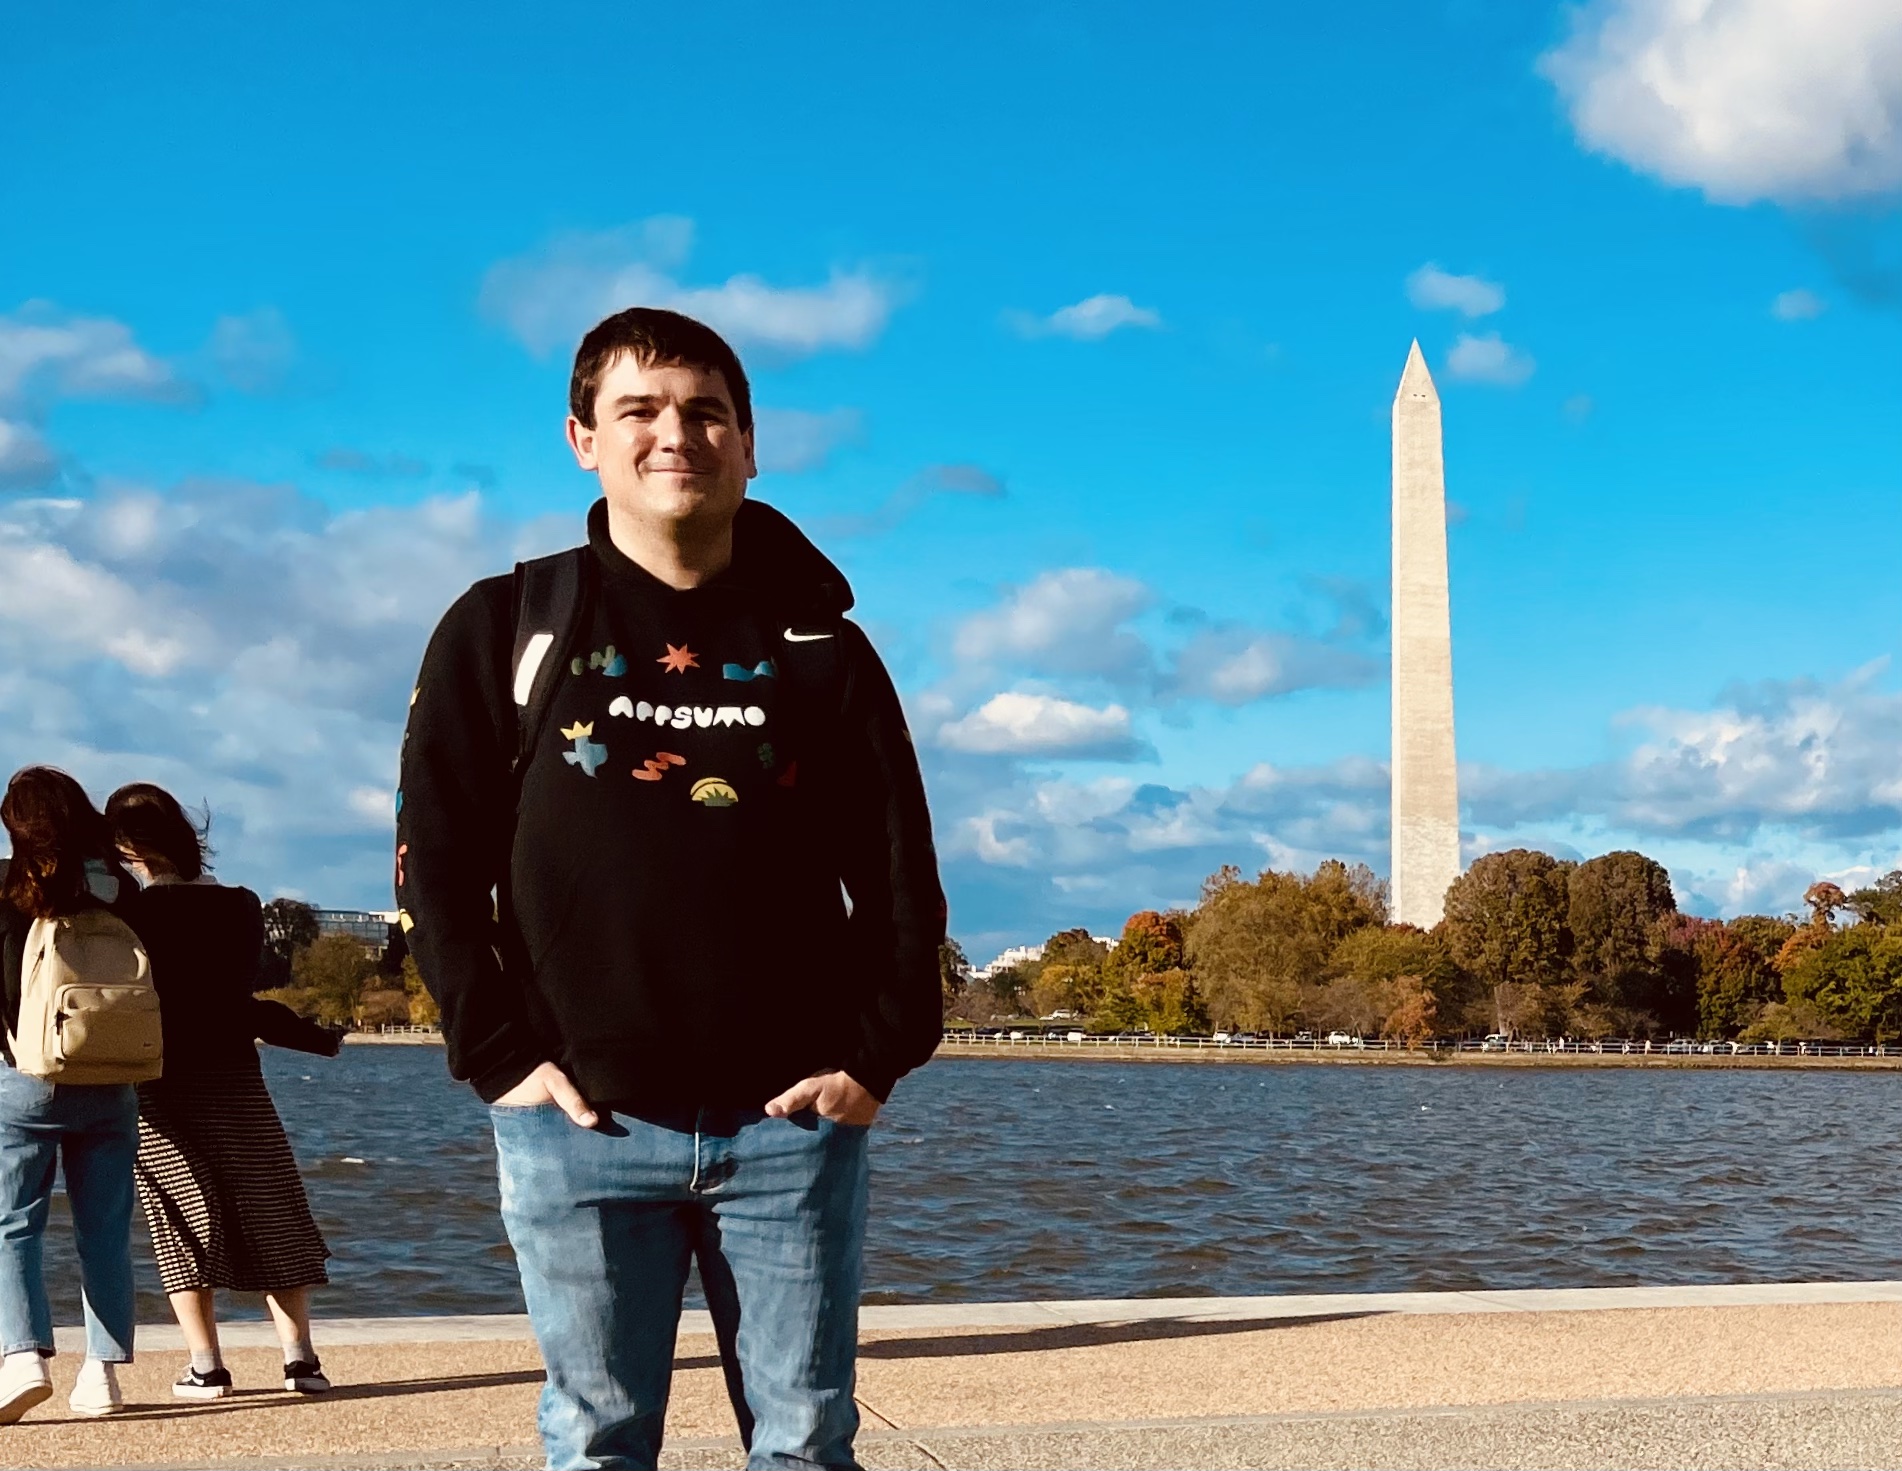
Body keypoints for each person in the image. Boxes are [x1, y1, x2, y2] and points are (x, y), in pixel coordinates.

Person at [400, 307, 945, 1469]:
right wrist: (496, 1056)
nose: (675, 435)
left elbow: (900, 872)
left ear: (749, 444)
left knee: (805, 1443)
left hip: (793, 1122)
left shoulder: (823, 649)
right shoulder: (506, 626)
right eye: (638, 409)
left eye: (706, 412)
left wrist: (878, 1055)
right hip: (577, 1123)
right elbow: (433, 864)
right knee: (597, 1442)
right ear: (582, 439)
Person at [106, 783, 338, 1400]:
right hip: (235, 1075)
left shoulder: (133, 914)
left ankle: (207, 1366)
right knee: (270, 1207)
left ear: (128, 848)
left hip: (159, 1078)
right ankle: (301, 1361)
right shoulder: (241, 904)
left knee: (178, 1217)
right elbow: (237, 995)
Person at [0, 767, 139, 1422]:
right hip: (113, 1076)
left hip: (29, 1077)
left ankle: (23, 1356)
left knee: (14, 1222)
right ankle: (101, 1373)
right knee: (104, 1230)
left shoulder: (8, 887)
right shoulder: (120, 889)